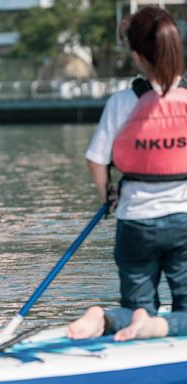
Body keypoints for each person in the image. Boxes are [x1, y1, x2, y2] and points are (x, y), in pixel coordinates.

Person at [67, 6, 187, 341]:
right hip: (184, 220)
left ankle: (103, 319)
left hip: (135, 221)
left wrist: (106, 195)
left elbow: (96, 159)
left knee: (136, 304)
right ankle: (156, 326)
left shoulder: (121, 102)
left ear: (137, 56)